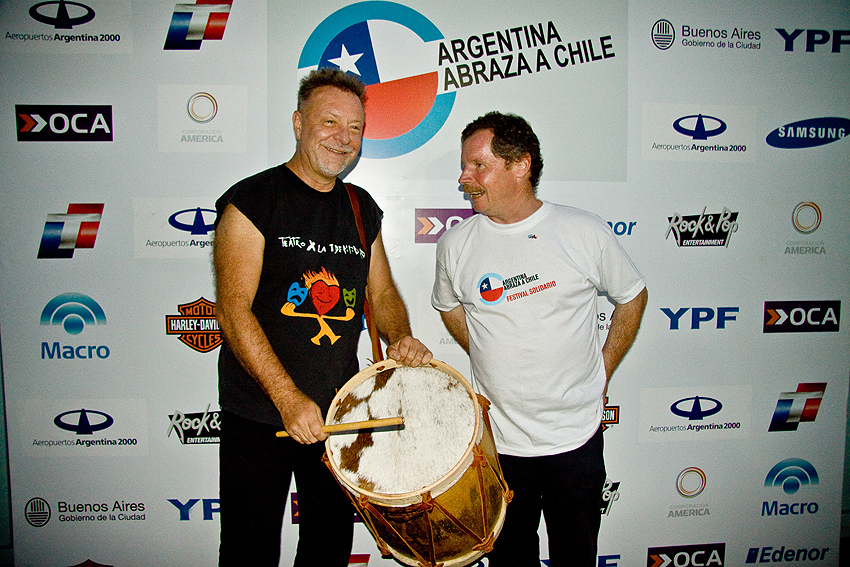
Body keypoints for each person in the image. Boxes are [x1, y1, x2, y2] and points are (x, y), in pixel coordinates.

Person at [213, 68, 432, 567]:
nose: (343, 138)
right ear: (298, 123)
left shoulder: (360, 207)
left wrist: (400, 336)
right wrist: (288, 400)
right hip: (261, 413)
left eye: (355, 127)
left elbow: (381, 291)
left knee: (328, 550)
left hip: (340, 415)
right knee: (249, 553)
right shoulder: (252, 200)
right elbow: (232, 309)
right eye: (329, 122)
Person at [431, 111, 647, 566]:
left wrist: (603, 368)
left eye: (478, 165)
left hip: (575, 439)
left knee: (576, 557)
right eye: (464, 165)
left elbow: (632, 295)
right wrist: (484, 350)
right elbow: (448, 307)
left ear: (521, 165)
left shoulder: (583, 231)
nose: (464, 178)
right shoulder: (455, 245)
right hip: (498, 445)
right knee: (510, 560)